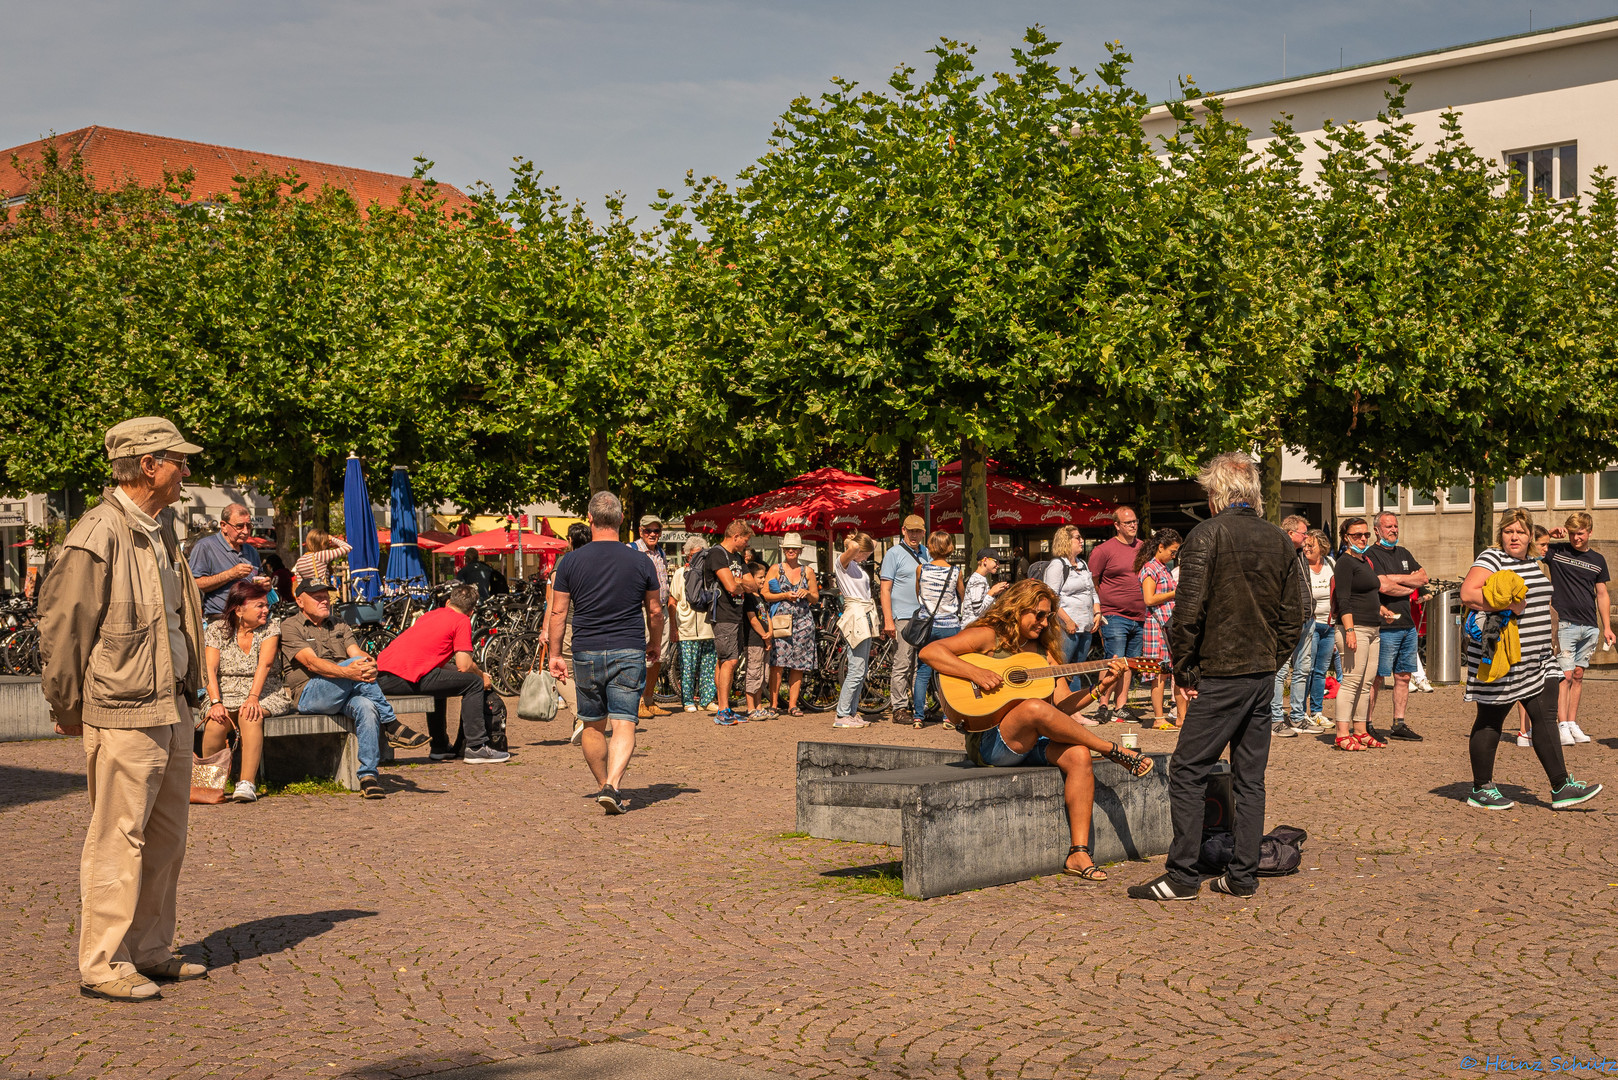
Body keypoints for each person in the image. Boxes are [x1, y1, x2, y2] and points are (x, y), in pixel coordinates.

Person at [39, 417, 209, 1001]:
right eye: (178, 461)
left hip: (170, 702)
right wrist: (66, 703)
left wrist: (192, 691)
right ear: (146, 465)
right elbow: (64, 628)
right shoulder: (99, 531)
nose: (187, 471)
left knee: (167, 836)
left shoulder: (160, 529)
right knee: (119, 835)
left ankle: (151, 949)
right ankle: (103, 962)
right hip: (122, 707)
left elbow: (178, 618)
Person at [1128, 452, 1306, 902]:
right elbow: (1297, 614)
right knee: (1250, 776)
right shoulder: (1279, 539)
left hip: (1223, 670)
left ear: (1215, 495)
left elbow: (1186, 614)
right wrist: (1272, 657)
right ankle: (1242, 875)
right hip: (1259, 672)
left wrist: (1186, 669)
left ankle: (1183, 875)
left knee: (1188, 769)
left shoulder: (1206, 534)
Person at [921, 579, 1153, 883]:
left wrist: (1100, 688)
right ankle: (1112, 750)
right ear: (1017, 609)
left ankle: (1078, 852)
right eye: (1038, 614)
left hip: (1030, 742)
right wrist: (975, 672)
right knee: (1032, 707)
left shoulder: (1044, 655)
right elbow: (930, 652)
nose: (1044, 623)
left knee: (1078, 753)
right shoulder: (988, 636)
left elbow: (1060, 709)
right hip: (991, 742)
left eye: (1048, 617)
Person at [1460, 509, 1602, 811]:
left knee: (1545, 717)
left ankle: (1561, 785)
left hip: (1537, 657)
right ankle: (1481, 787)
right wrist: (1510, 602)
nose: (1515, 537)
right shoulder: (1491, 558)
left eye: (1521, 532)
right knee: (1490, 719)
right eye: (1509, 531)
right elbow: (1468, 594)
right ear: (1501, 534)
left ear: (1529, 536)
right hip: (1502, 655)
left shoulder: (1532, 562)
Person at [545, 492, 662, 814]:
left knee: (592, 723)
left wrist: (556, 653)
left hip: (586, 649)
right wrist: (655, 642)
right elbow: (655, 611)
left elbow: (558, 612)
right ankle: (613, 783)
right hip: (628, 647)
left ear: (590, 518)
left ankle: (602, 785)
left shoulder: (570, 561)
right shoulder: (641, 561)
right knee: (625, 722)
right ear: (622, 519)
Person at [280, 580, 402, 799]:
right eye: (316, 597)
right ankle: (391, 724)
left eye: (326, 596)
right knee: (349, 666)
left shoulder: (339, 624)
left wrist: (368, 662)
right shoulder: (290, 626)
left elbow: (356, 653)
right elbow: (311, 663)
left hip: (344, 690)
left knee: (366, 706)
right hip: (309, 694)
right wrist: (349, 671)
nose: (324, 600)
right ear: (300, 601)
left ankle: (368, 777)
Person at [375, 582, 509, 764]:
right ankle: (476, 746)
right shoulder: (461, 620)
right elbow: (464, 665)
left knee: (441, 683)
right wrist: (481, 675)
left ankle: (439, 746)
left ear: (448, 602)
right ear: (471, 611)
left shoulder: (430, 615)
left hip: (382, 675)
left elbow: (437, 663)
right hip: (405, 677)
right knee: (474, 683)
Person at [200, 580, 294, 803]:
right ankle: (209, 784)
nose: (266, 609)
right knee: (216, 722)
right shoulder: (216, 630)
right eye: (259, 605)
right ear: (239, 609)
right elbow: (210, 669)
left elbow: (266, 664)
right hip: (223, 691)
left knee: (250, 715)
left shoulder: (271, 627)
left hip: (264, 690)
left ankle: (246, 783)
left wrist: (253, 697)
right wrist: (215, 702)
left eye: (266, 605)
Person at [1545, 512, 1614, 746]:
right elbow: (1530, 548)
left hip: (1590, 625)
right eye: (1572, 533)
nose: (1575, 538)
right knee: (1564, 676)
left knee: (1578, 675)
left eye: (1580, 534)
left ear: (1590, 532)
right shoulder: (1557, 551)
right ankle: (1561, 724)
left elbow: (1602, 594)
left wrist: (1607, 627)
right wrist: (1548, 534)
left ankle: (1572, 723)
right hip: (1564, 622)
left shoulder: (1598, 559)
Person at [1365, 511, 1428, 742]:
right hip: (1385, 625)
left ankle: (1398, 723)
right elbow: (1382, 586)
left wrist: (1396, 579)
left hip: (1407, 625)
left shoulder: (1403, 553)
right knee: (1377, 678)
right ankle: (1367, 723)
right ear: (1377, 530)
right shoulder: (1371, 554)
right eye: (1388, 526)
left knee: (1403, 676)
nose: (1393, 530)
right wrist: (1406, 582)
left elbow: (1422, 578)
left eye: (1396, 526)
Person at [1085, 506, 1147, 722]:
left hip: (1139, 614)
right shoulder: (1103, 550)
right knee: (1113, 660)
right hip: (1113, 614)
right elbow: (1092, 581)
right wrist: (1099, 608)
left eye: (1135, 521)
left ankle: (1121, 706)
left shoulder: (1143, 548)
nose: (1133, 525)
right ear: (1117, 526)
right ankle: (1103, 704)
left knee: (1129, 662)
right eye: (1128, 522)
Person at [1331, 516, 1387, 751]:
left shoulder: (1365, 561)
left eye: (1366, 535)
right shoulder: (1345, 562)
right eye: (1356, 535)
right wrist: (1350, 630)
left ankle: (1360, 730)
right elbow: (1343, 599)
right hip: (1355, 628)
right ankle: (1342, 733)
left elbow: (1366, 593)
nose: (1363, 539)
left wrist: (1381, 609)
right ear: (1346, 537)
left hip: (1373, 628)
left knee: (1366, 683)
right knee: (1352, 681)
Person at [911, 530, 966, 728]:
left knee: (923, 670)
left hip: (926, 626)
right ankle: (948, 716)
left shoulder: (921, 569)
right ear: (950, 547)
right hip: (949, 626)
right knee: (949, 671)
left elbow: (918, 594)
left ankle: (918, 717)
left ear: (931, 547)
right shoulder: (955, 572)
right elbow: (962, 596)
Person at [701, 520, 754, 726]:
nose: (746, 545)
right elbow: (732, 586)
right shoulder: (717, 554)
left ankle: (726, 706)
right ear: (736, 536)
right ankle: (722, 709)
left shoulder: (736, 557)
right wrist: (740, 584)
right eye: (745, 540)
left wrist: (739, 583)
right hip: (722, 614)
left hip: (735, 613)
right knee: (729, 661)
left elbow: (752, 584)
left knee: (725, 660)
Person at [1269, 515, 1317, 738]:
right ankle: (1276, 718)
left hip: (1307, 619)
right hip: (1287, 622)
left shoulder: (1300, 554)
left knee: (1303, 670)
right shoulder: (1279, 554)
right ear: (1290, 534)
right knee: (1280, 671)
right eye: (1303, 533)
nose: (1307, 537)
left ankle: (1298, 715)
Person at [879, 514, 929, 725]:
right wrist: (888, 620)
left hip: (924, 615)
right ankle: (899, 707)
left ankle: (919, 707)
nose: (915, 535)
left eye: (918, 531)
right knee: (902, 663)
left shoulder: (926, 552)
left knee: (922, 663)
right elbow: (885, 588)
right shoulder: (894, 553)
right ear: (903, 531)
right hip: (904, 616)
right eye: (911, 531)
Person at [764, 533, 819, 716]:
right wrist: (784, 596)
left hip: (803, 621)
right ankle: (773, 704)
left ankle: (792, 705)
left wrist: (807, 593)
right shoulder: (775, 569)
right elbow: (765, 594)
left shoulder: (808, 571)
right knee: (777, 663)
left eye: (794, 548)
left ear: (800, 550)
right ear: (783, 550)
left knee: (798, 664)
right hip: (781, 621)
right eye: (788, 548)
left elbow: (815, 597)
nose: (791, 551)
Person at [1135, 528, 1185, 729]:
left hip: (1168, 625)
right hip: (1156, 626)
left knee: (1175, 671)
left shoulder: (1164, 567)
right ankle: (1159, 718)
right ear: (1160, 547)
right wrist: (1174, 593)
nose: (1174, 556)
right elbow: (1149, 599)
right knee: (1159, 673)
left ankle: (1182, 717)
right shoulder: (1149, 568)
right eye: (1172, 551)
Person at [1043, 525, 1100, 693]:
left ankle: (1074, 710)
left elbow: (1092, 591)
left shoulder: (1082, 563)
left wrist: (1097, 612)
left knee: (1078, 669)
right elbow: (1051, 597)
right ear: (1066, 542)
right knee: (1062, 668)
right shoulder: (1057, 565)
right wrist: (1067, 621)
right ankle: (1059, 707)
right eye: (1077, 537)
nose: (1081, 541)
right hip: (1065, 627)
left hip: (1085, 625)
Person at [832, 533, 878, 729]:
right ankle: (842, 714)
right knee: (856, 668)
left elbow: (873, 542)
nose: (865, 557)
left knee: (861, 668)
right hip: (855, 614)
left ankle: (850, 711)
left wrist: (859, 539)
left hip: (864, 612)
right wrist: (851, 543)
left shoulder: (856, 565)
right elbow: (851, 549)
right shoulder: (842, 563)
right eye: (864, 553)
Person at [630, 514, 673, 720]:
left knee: (659, 656)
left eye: (656, 531)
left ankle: (648, 699)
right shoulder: (631, 550)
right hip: (641, 609)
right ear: (641, 531)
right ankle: (637, 702)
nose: (653, 534)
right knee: (641, 656)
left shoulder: (660, 553)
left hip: (660, 609)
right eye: (648, 530)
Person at [188, 504, 264, 620]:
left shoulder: (251, 551)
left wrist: (264, 584)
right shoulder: (205, 546)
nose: (246, 531)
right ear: (223, 526)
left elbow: (259, 578)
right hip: (222, 619)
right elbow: (195, 584)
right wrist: (230, 574)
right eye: (239, 526)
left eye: (248, 526)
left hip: (250, 620)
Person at [670, 537, 717, 713]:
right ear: (687, 557)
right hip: (687, 628)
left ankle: (706, 700)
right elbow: (672, 601)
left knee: (708, 666)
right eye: (692, 556)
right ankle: (688, 700)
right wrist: (674, 628)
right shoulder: (680, 573)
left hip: (708, 628)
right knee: (687, 668)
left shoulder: (710, 574)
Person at [1302, 530, 1337, 729]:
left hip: (1329, 625)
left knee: (1321, 671)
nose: (1306, 549)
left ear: (1322, 548)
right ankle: (1301, 712)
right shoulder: (1302, 567)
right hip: (1311, 625)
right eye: (1305, 545)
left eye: (1311, 545)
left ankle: (1316, 711)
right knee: (1306, 669)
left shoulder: (1331, 564)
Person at [741, 562, 774, 721]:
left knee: (763, 675)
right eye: (760, 577)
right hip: (753, 641)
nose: (763, 580)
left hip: (764, 640)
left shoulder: (760, 597)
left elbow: (766, 616)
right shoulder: (748, 597)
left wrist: (770, 632)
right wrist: (764, 635)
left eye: (764, 577)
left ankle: (759, 706)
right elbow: (753, 619)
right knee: (753, 673)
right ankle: (750, 707)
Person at [962, 548, 1009, 625]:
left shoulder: (981, 578)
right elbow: (978, 611)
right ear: (985, 560)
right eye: (996, 561)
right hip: (973, 629)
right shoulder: (978, 580)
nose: (998, 565)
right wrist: (991, 592)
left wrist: (996, 592)